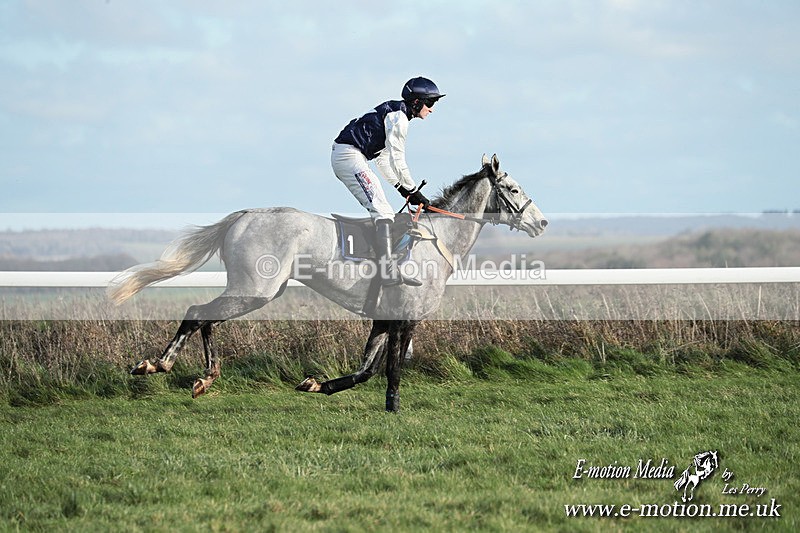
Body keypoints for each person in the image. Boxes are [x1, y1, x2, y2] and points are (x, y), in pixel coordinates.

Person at [331, 76, 444, 287]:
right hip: (349, 156)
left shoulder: (396, 114)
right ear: (417, 102)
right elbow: (398, 159)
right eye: (430, 103)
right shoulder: (398, 118)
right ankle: (387, 271)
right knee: (382, 211)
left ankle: (385, 265)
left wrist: (402, 189)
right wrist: (412, 190)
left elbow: (383, 159)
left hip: (353, 156)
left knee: (386, 210)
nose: (432, 109)